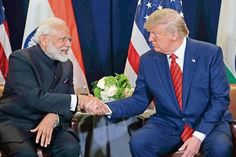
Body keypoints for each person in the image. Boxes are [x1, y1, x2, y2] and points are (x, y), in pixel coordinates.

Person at [95, 8, 233, 157]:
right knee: (140, 143)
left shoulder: (209, 54)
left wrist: (198, 136)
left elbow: (220, 99)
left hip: (208, 122)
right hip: (169, 123)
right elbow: (140, 100)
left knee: (220, 148)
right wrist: (105, 108)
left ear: (174, 34)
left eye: (154, 33)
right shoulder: (148, 60)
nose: (150, 39)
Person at [0, 17, 108, 157]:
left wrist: (54, 116)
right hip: (16, 122)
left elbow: (69, 106)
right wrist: (80, 99)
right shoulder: (20, 59)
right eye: (62, 39)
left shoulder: (67, 64)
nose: (68, 44)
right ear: (44, 40)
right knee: (24, 154)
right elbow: (35, 98)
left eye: (69, 39)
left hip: (52, 124)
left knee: (70, 148)